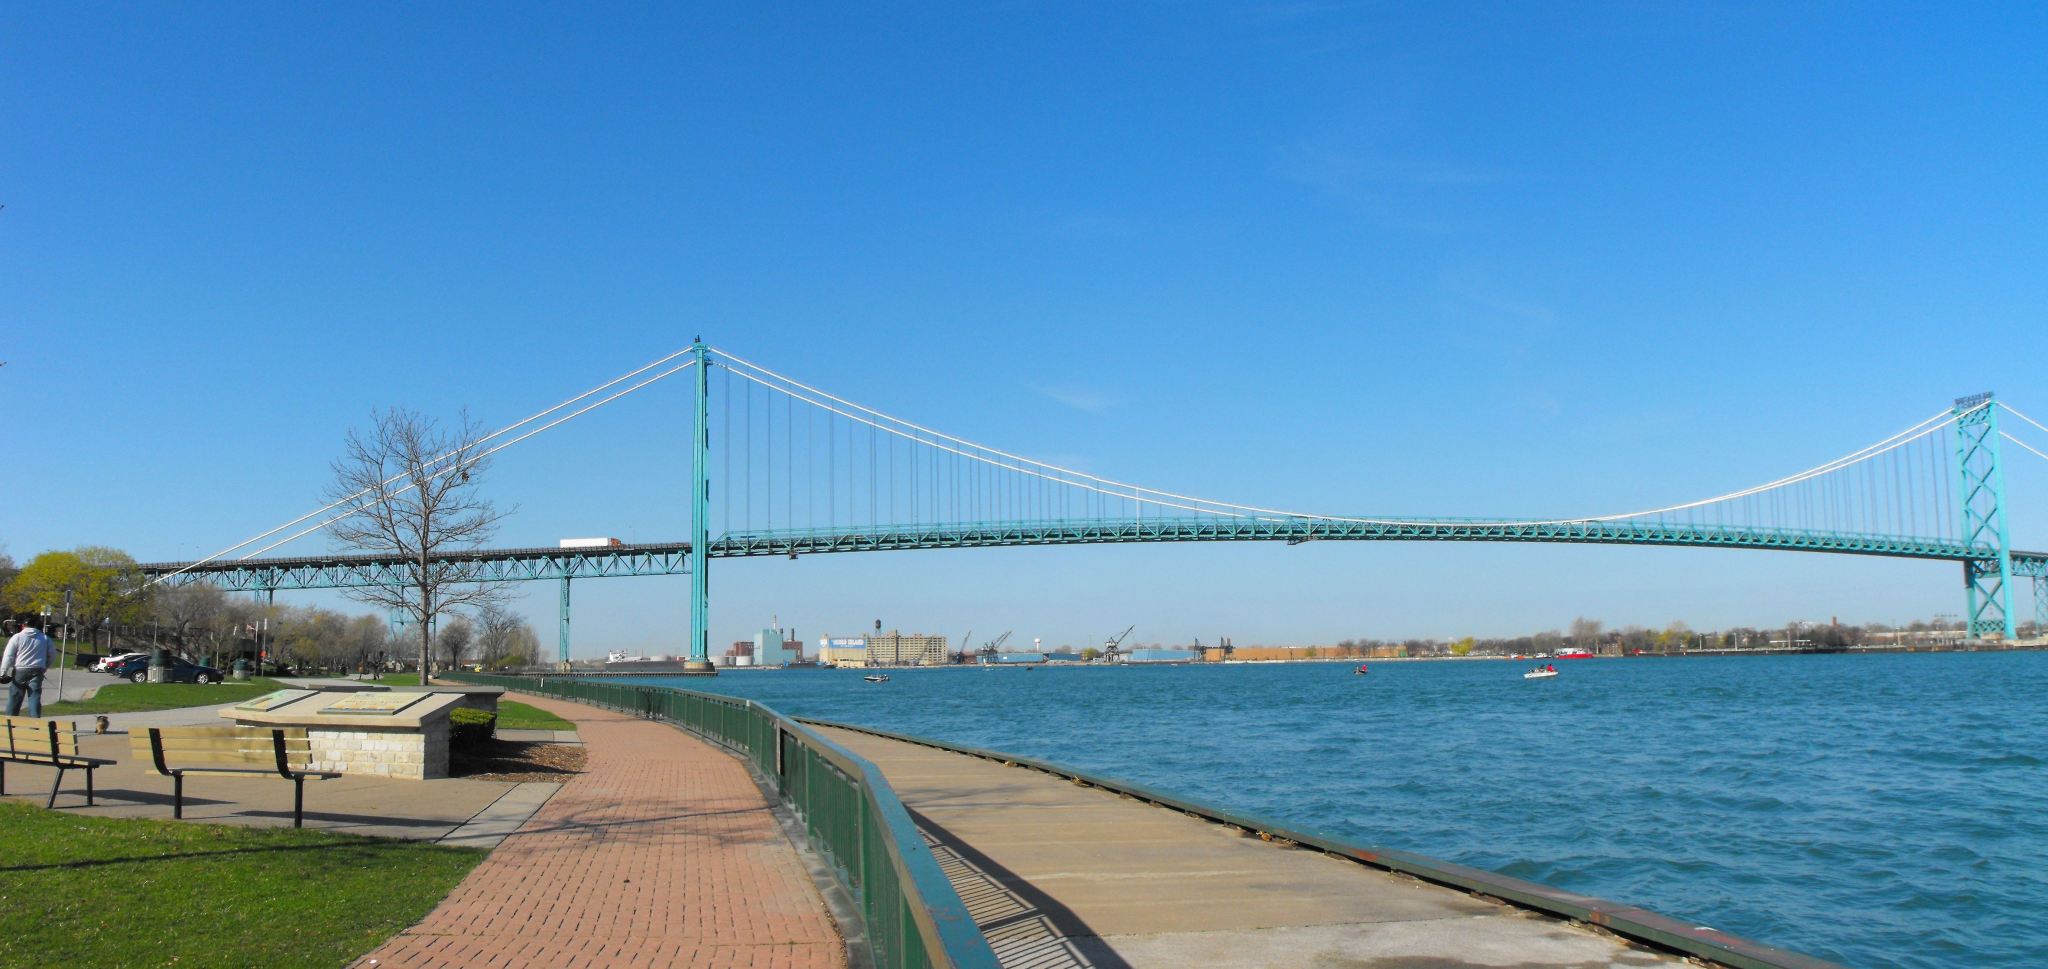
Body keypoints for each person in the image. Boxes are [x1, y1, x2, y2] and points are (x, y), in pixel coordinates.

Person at [3, 615, 55, 717]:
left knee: (15, 696)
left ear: (23, 625)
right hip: (37, 669)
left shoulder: (17, 637)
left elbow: (8, 656)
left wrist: (3, 672)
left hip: (20, 669)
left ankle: (9, 721)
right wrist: (45, 666)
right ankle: (35, 723)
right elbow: (52, 654)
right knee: (34, 696)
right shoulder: (44, 638)